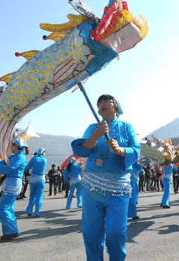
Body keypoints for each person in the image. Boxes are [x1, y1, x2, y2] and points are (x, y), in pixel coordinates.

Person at [71, 94, 140, 260]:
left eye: (106, 102)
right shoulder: (93, 127)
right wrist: (96, 134)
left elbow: (136, 150)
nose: (102, 104)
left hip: (118, 188)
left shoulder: (126, 127)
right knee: (91, 233)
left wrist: (120, 149)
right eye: (99, 103)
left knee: (116, 232)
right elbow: (81, 150)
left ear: (115, 107)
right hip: (93, 188)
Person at [0, 139, 29, 241]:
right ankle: (9, 233)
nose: (10, 147)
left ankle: (12, 230)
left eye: (12, 145)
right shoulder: (13, 157)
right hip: (11, 182)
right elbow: (0, 163)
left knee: (2, 209)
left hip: (13, 183)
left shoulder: (20, 157)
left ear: (16, 146)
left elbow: (9, 167)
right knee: (8, 209)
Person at [24, 148, 47, 217]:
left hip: (33, 179)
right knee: (39, 197)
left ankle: (29, 211)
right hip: (41, 179)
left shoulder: (33, 159)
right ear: (42, 153)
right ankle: (37, 212)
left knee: (32, 196)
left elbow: (27, 167)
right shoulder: (45, 160)